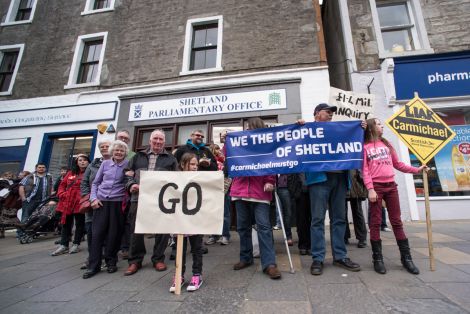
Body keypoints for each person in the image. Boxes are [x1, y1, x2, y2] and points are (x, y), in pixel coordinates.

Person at [301, 103, 361, 275]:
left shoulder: (339, 130)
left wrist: (361, 128)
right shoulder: (308, 130)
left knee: (339, 219)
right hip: (319, 179)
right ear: (316, 114)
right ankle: (318, 258)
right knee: (318, 219)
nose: (330, 115)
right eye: (327, 112)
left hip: (340, 178)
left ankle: (340, 256)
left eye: (331, 113)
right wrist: (299, 126)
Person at [363, 118, 427, 275]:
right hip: (376, 187)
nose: (382, 126)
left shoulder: (387, 145)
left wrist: (417, 170)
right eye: (378, 124)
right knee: (375, 222)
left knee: (396, 221)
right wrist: (370, 189)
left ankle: (407, 258)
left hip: (391, 186)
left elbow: (398, 164)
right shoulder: (364, 147)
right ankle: (377, 259)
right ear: (371, 128)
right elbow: (364, 170)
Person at [230, 118, 281, 280]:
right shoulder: (239, 144)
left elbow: (271, 163)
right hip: (240, 190)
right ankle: (246, 257)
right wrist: (227, 142)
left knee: (264, 227)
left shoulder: (266, 145)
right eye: (247, 128)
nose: (248, 131)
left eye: (251, 128)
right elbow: (229, 160)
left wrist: (270, 180)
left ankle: (269, 263)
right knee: (243, 227)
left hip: (260, 191)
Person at [124, 129, 178, 276]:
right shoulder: (137, 156)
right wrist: (130, 185)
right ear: (150, 140)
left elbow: (176, 180)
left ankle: (158, 258)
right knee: (136, 229)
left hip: (161, 200)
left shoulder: (171, 159)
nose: (158, 142)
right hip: (139, 198)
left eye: (161, 139)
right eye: (155, 139)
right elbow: (127, 174)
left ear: (164, 142)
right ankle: (135, 260)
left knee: (162, 228)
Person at [83, 140, 129, 279]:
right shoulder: (105, 163)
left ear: (125, 153)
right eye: (117, 150)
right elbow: (96, 183)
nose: (119, 152)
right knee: (97, 235)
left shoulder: (127, 165)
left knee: (114, 235)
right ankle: (93, 266)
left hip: (117, 203)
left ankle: (111, 262)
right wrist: (93, 199)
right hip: (101, 202)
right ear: (112, 152)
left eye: (122, 150)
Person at [169, 153, 205, 292]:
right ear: (183, 165)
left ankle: (197, 275)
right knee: (180, 248)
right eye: (192, 164)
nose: (195, 167)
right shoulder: (174, 178)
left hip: (195, 219)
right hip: (179, 219)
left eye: (196, 165)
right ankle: (179, 275)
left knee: (197, 247)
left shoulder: (201, 179)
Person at [80, 140, 111, 270]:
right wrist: (91, 198)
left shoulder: (117, 162)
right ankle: (92, 257)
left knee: (106, 231)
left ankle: (105, 256)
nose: (104, 148)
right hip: (93, 203)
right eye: (102, 147)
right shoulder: (92, 164)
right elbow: (85, 183)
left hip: (108, 202)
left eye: (107, 146)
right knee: (91, 231)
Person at [51, 154, 90, 256]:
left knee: (80, 223)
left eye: (85, 160)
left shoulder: (89, 172)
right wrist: (61, 194)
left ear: (88, 162)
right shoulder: (70, 173)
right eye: (80, 160)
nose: (82, 162)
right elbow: (62, 185)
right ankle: (64, 244)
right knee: (66, 223)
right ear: (76, 162)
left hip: (80, 201)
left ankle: (76, 244)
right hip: (67, 201)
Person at [18, 164, 53, 238]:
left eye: (43, 167)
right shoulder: (29, 176)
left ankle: (32, 233)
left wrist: (50, 197)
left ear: (45, 168)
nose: (41, 169)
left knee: (39, 217)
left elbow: (51, 187)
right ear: (36, 168)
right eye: (39, 167)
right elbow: (21, 186)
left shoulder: (49, 177)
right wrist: (24, 198)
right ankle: (21, 234)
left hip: (43, 201)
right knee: (25, 217)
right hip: (30, 200)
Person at [344, 169, 368, 248]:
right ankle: (344, 236)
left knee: (358, 212)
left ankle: (362, 237)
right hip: (342, 183)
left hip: (355, 183)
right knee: (342, 213)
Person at [275, 174, 293, 246]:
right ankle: (288, 236)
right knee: (287, 212)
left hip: (286, 184)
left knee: (288, 213)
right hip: (277, 184)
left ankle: (288, 236)